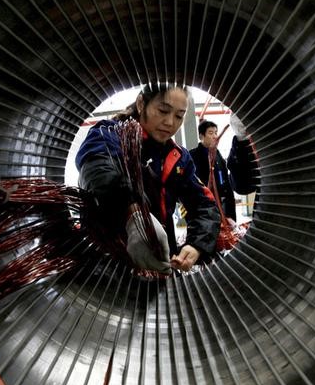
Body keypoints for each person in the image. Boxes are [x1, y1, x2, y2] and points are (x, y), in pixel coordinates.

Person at [75, 84, 220, 273]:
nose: (170, 122)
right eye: (163, 110)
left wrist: (197, 245)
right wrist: (134, 215)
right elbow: (96, 169)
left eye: (179, 116)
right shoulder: (109, 134)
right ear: (141, 103)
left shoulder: (179, 158)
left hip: (157, 264)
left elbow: (205, 205)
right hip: (107, 265)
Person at [189, 120, 237, 221]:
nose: (215, 136)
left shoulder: (218, 154)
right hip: (205, 208)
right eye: (211, 133)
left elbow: (225, 181)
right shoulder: (193, 156)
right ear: (201, 136)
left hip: (223, 205)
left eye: (216, 132)